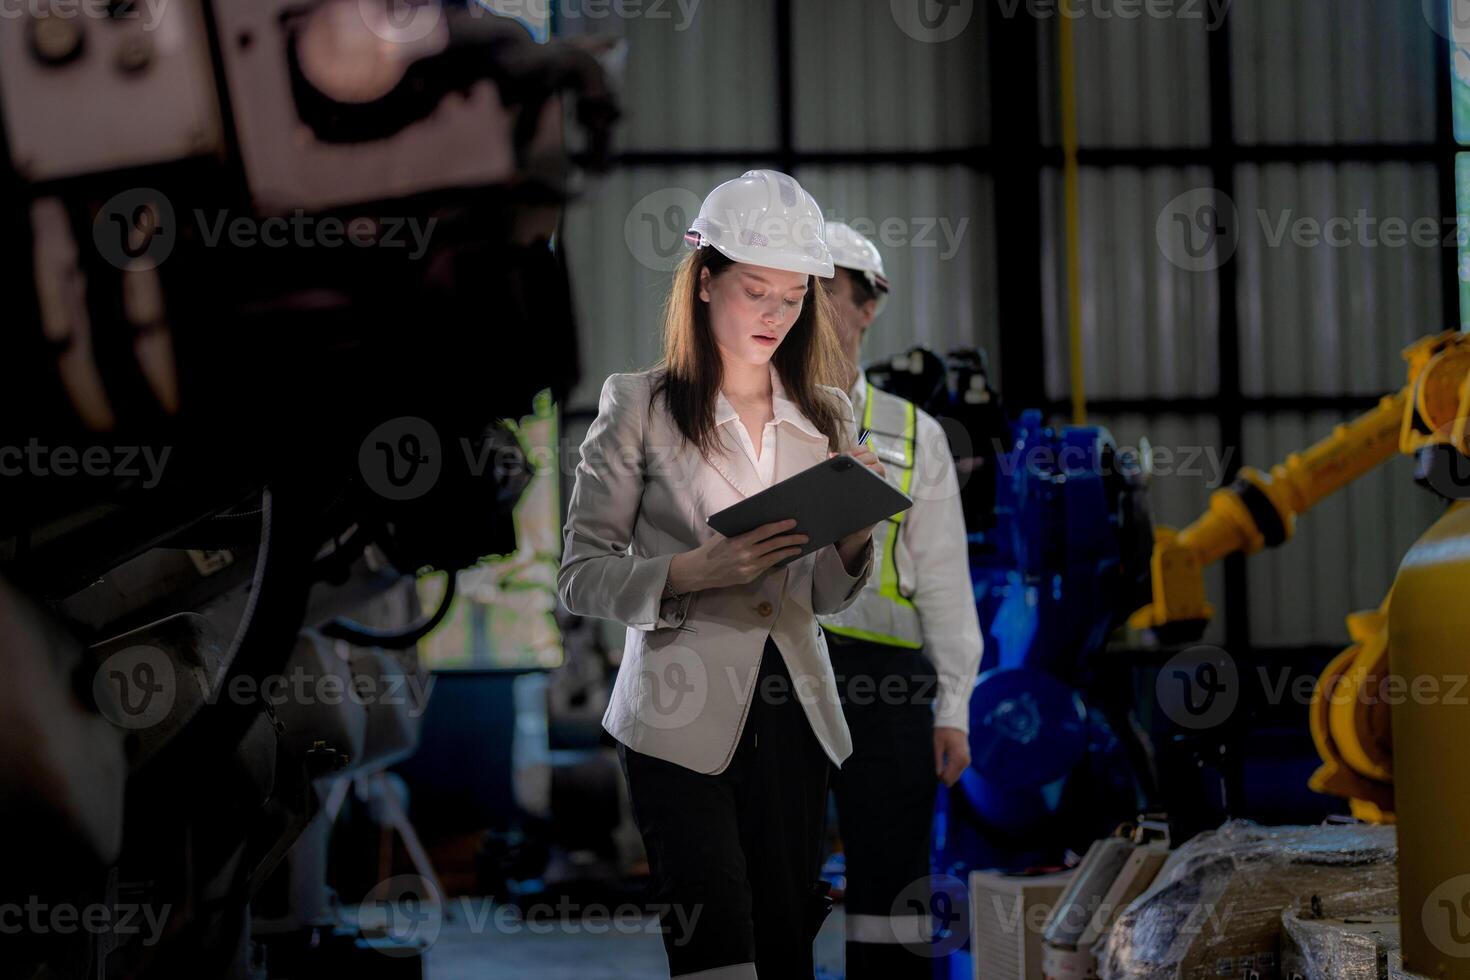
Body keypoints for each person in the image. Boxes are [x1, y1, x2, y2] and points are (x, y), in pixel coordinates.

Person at [557, 170, 887, 979]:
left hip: (795, 713)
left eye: (792, 297)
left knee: (785, 949)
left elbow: (824, 594)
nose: (775, 315)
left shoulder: (826, 414)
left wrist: (853, 537)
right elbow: (579, 574)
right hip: (677, 717)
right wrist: (692, 570)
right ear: (705, 282)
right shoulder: (637, 405)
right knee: (715, 953)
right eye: (755, 292)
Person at [817, 221, 984, 978]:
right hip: (775, 674)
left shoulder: (913, 433)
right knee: (775, 879)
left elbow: (945, 581)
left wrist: (952, 708)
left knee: (892, 897)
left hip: (886, 688)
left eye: (824, 296)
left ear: (868, 305)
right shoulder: (752, 422)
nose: (805, 317)